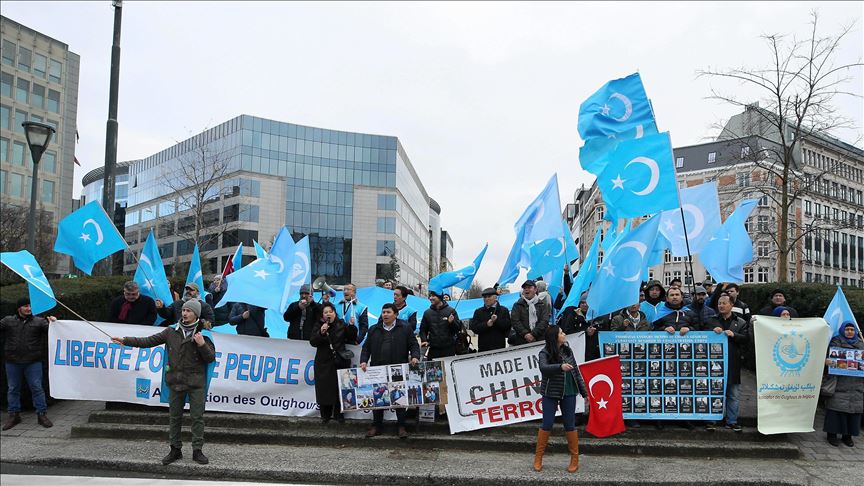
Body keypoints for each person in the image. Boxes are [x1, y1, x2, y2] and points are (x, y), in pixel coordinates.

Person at [111, 299, 216, 465]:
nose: (184, 313)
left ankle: (197, 450)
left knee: (197, 418)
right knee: (175, 418)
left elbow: (210, 358)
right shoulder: (170, 331)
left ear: (196, 314)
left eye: (188, 311)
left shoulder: (204, 334)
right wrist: (126, 340)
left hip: (196, 383)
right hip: (175, 381)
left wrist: (202, 344)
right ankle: (175, 449)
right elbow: (148, 341)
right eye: (183, 310)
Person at [360, 303, 421, 438]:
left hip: (397, 368)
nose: (385, 315)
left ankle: (401, 426)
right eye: (383, 312)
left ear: (396, 314)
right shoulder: (374, 329)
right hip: (378, 368)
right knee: (378, 398)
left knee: (399, 398)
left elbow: (413, 344)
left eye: (388, 312)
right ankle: (376, 426)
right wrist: (363, 360)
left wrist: (415, 357)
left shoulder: (405, 328)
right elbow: (366, 348)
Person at [534, 326, 588, 473]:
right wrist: (560, 367)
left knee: (570, 424)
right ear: (554, 337)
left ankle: (574, 459)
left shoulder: (567, 351)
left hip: (570, 390)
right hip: (550, 391)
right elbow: (543, 368)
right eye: (561, 333)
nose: (564, 334)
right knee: (547, 423)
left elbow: (576, 372)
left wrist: (585, 394)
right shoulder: (544, 352)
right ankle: (538, 457)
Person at [1, 298, 56, 430]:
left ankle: (41, 414)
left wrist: (54, 323)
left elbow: (53, 332)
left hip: (33, 361)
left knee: (37, 388)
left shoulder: (40, 321)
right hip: (12, 361)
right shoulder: (8, 321)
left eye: (30, 306)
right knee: (13, 389)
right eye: (25, 306)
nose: (29, 308)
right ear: (19, 308)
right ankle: (14, 415)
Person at [704, 293, 749, 432]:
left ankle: (732, 421)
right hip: (714, 363)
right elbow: (702, 337)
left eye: (724, 303)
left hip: (732, 362)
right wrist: (712, 332)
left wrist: (733, 335)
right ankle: (711, 420)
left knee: (733, 394)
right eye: (719, 303)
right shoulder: (711, 321)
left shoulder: (740, 322)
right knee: (713, 392)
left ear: (732, 305)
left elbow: (747, 339)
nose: (721, 306)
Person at [310, 302, 356, 424]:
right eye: (326, 312)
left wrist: (351, 326)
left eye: (331, 311)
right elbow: (313, 341)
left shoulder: (341, 324)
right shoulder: (319, 325)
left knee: (339, 388)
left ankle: (339, 414)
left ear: (335, 313)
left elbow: (351, 337)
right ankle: (325, 415)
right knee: (324, 388)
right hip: (323, 361)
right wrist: (321, 332)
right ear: (322, 315)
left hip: (340, 361)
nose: (329, 314)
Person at [823, 321, 863, 447]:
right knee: (835, 409)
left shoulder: (861, 344)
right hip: (839, 382)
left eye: (852, 329)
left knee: (853, 410)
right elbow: (825, 359)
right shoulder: (835, 342)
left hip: (857, 384)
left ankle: (848, 436)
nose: (850, 332)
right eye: (847, 329)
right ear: (842, 330)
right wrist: (828, 362)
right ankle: (832, 434)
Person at [419, 291, 460, 359]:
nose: (430, 298)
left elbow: (457, 329)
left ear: (440, 297)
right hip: (433, 349)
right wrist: (424, 340)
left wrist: (452, 322)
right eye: (430, 296)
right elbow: (423, 330)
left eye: (433, 296)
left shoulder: (451, 311)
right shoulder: (427, 313)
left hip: (449, 350)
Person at [510, 280, 551, 346]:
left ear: (535, 290)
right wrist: (526, 334)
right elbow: (515, 321)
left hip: (540, 339)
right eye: (524, 288)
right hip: (522, 340)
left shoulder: (542, 305)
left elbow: (545, 320)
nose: (526, 290)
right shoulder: (517, 305)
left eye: (529, 288)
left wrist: (533, 334)